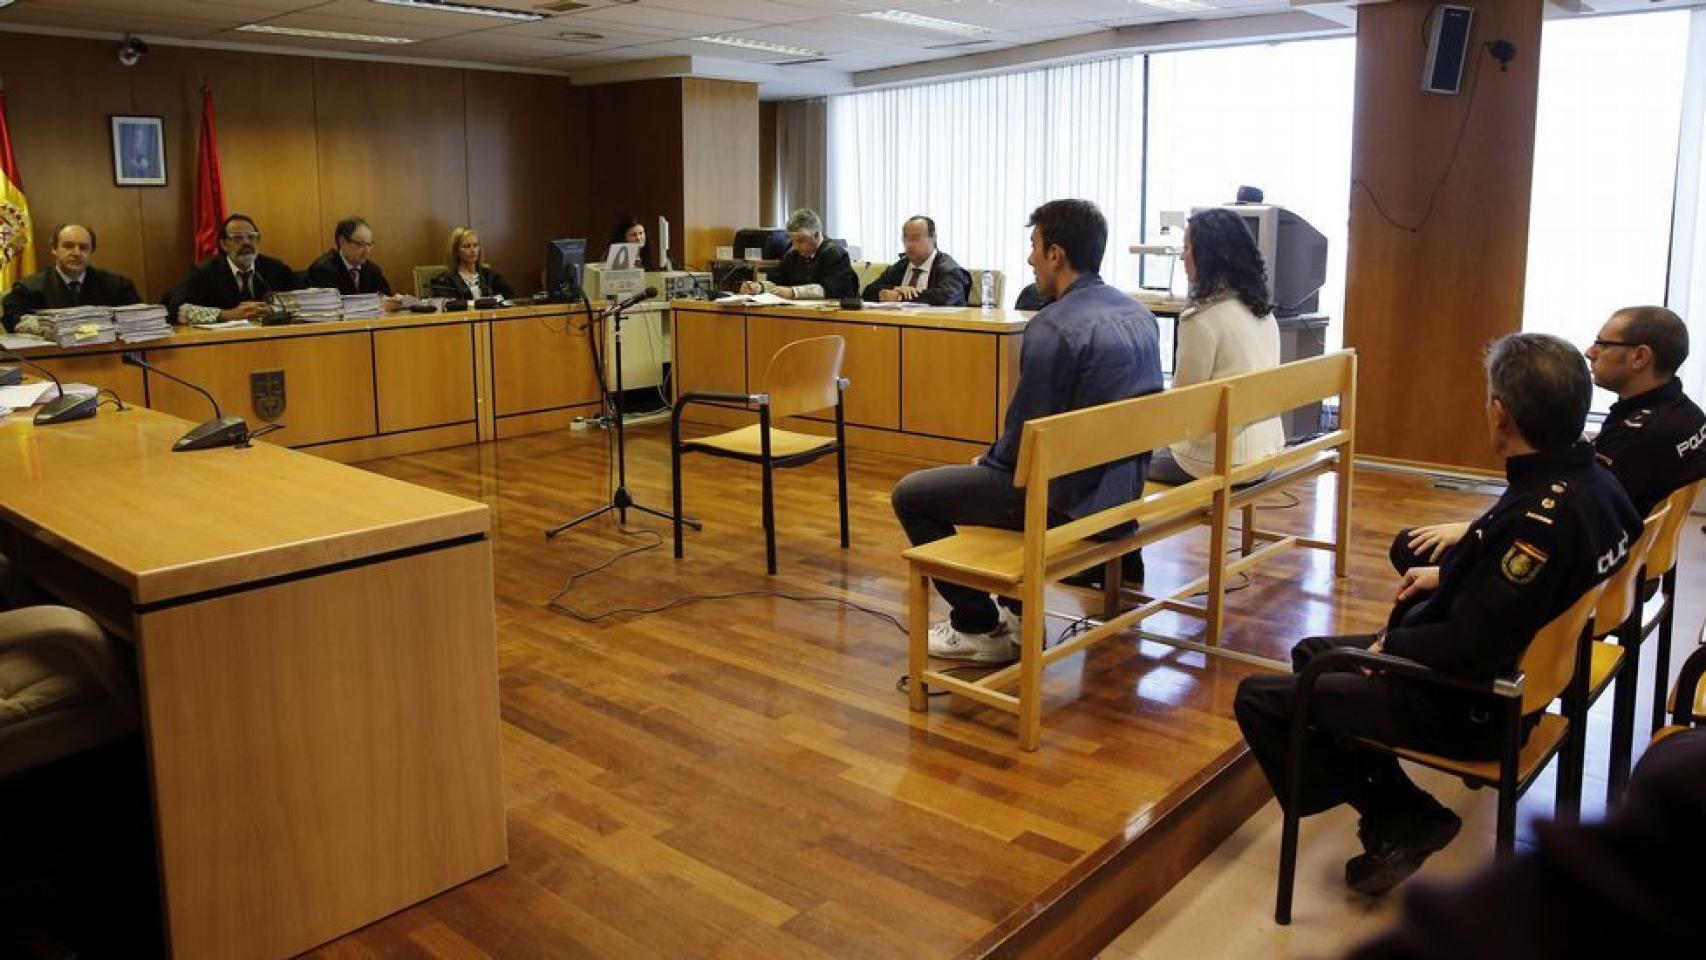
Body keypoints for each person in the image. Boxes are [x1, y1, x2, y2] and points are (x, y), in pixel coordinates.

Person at [1233, 332, 1642, 898]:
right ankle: (1388, 807)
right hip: (1525, 675)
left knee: (1261, 698)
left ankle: (1401, 813)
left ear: (1500, 414)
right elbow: (1520, 592)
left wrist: (1389, 651)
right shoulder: (1596, 481)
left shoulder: (1536, 520)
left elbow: (1471, 646)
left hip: (1477, 703)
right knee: (1311, 656)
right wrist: (1450, 575)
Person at [890, 199, 1162, 663]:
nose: (1029, 259)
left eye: (1034, 247)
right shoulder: (1140, 315)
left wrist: (985, 462)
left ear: (1056, 253)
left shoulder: (1053, 326)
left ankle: (978, 626)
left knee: (911, 494)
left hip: (1063, 502)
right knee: (994, 474)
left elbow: (1020, 451)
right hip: (1119, 492)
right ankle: (1014, 615)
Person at [1347, 726, 1706, 959]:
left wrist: (1391, 643)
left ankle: (1399, 814)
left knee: (1307, 688)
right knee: (1323, 668)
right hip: (1513, 696)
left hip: (1473, 707)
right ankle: (1396, 812)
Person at [1394, 305, 1704, 570]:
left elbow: (1576, 516)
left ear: (1639, 357)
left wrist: (1478, 531)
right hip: (1635, 554)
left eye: (1603, 343)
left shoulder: (1638, 436)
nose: (1590, 352)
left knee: (1410, 547)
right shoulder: (1687, 415)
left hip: (1602, 569)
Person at [1146, 208, 1285, 486]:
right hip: (1268, 450)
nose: (1183, 255)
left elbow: (1184, 404)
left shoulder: (1201, 320)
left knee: (1121, 460)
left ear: (1208, 256)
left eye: (1187, 247)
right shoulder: (1264, 313)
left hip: (1218, 460)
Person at [3, 224, 141, 333]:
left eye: (84, 248)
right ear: (54, 249)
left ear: (92, 251)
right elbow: (12, 319)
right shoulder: (29, 288)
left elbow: (138, 318)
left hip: (107, 357)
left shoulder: (117, 285)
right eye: (68, 246)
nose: (76, 253)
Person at [169, 214, 301, 326]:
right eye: (238, 238)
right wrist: (227, 315)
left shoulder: (275, 268)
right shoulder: (204, 273)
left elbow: (304, 300)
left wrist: (276, 311)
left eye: (251, 237)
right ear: (224, 244)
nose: (246, 243)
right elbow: (178, 310)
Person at [738, 208, 858, 300]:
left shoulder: (835, 254)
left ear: (816, 235)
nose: (795, 246)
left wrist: (794, 292)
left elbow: (832, 290)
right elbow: (778, 281)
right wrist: (759, 287)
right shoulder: (792, 255)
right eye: (792, 240)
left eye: (801, 240)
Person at [861, 215, 969, 306]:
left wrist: (899, 297)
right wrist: (896, 289)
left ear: (933, 238)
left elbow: (945, 297)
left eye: (915, 238)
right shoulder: (901, 266)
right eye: (906, 238)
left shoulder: (949, 268)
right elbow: (868, 291)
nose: (909, 244)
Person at [305, 216, 402, 310]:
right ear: (342, 242)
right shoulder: (323, 270)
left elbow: (386, 297)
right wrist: (377, 306)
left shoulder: (372, 270)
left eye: (369, 244)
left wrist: (393, 301)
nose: (367, 250)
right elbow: (333, 308)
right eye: (361, 244)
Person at [428, 227, 515, 301]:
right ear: (456, 251)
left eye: (475, 245)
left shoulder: (489, 276)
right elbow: (448, 305)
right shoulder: (445, 281)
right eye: (467, 246)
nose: (473, 251)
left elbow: (509, 296)